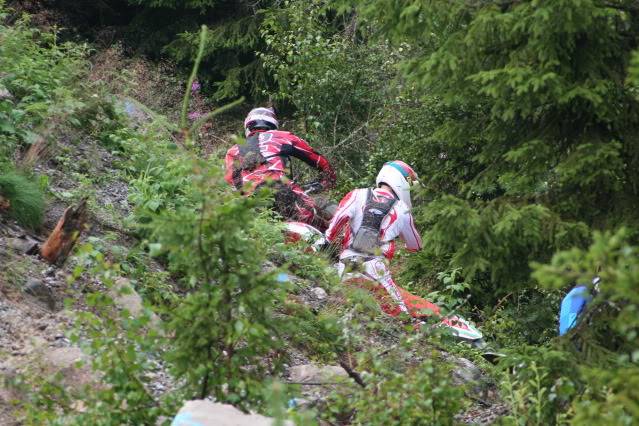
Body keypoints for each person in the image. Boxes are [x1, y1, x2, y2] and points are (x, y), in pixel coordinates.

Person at [324, 160, 440, 318]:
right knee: (403, 319)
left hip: (344, 266)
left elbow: (336, 224)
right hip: (375, 270)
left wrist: (327, 240)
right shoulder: (402, 209)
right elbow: (415, 245)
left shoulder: (357, 194)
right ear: (402, 182)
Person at [225, 107, 336, 225]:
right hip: (284, 192)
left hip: (251, 204)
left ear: (248, 127)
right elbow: (320, 162)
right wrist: (328, 181)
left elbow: (231, 184)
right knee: (326, 221)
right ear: (273, 123)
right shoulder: (283, 136)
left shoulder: (233, 151)